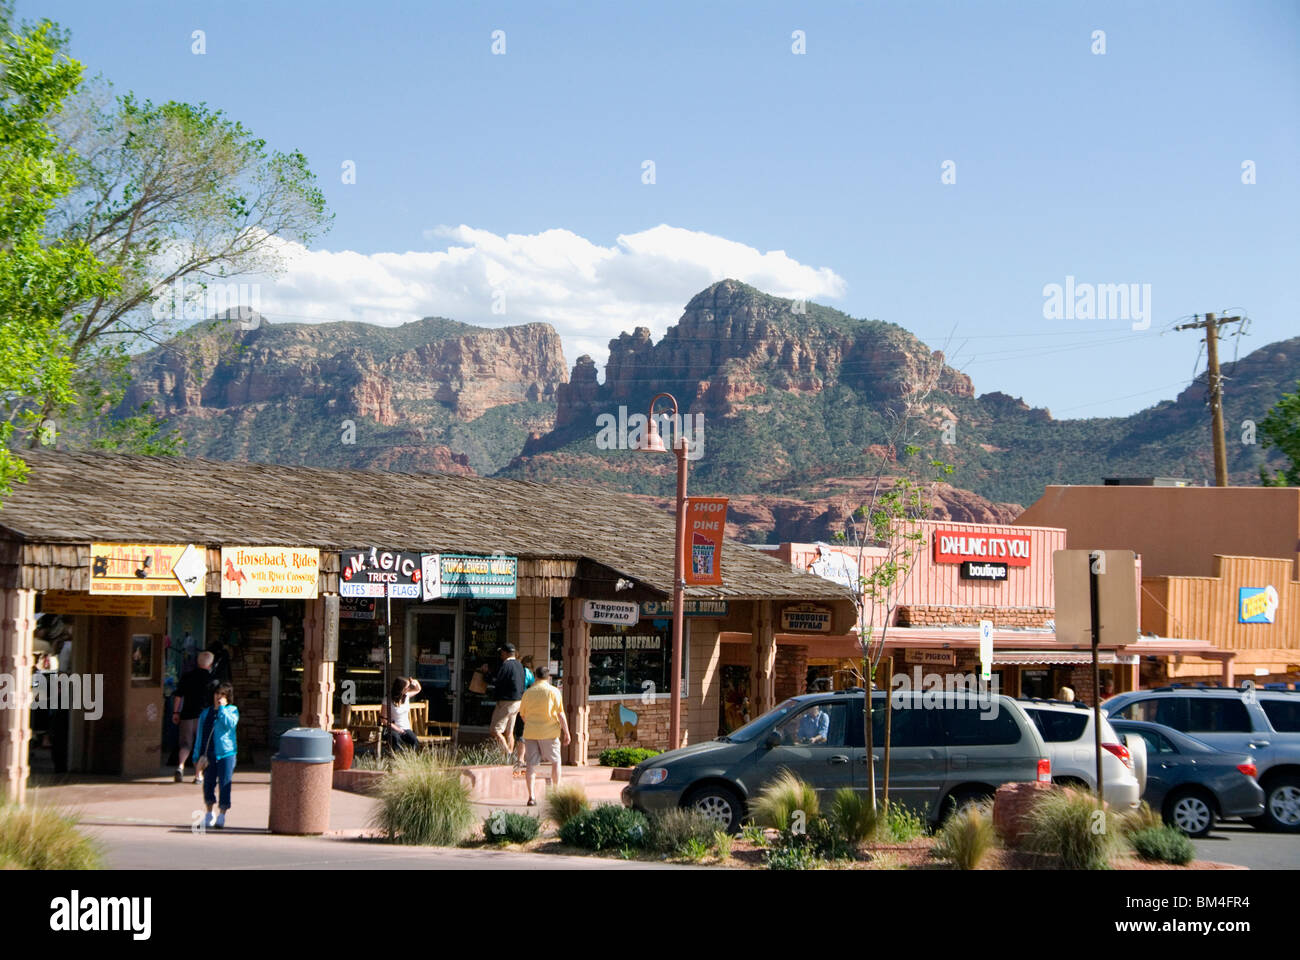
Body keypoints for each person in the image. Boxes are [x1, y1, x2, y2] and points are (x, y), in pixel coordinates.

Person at [518, 665, 570, 806]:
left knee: (531, 765)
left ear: (535, 676)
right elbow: (560, 714)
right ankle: (555, 793)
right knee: (555, 761)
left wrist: (531, 723)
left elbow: (522, 714)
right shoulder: (554, 691)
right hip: (550, 732)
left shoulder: (528, 693)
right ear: (548, 677)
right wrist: (566, 732)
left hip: (531, 732)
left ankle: (531, 796)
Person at [195, 683, 239, 829]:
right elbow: (200, 735)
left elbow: (230, 724)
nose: (219, 697)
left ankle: (222, 814)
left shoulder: (232, 710)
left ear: (227, 697)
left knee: (225, 782)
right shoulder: (205, 713)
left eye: (223, 694)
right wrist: (197, 755)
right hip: (209, 754)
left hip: (227, 753)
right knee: (208, 783)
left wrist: (222, 709)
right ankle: (209, 813)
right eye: (217, 694)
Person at [173, 651, 216, 783]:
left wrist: (175, 712)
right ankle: (198, 775)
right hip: (204, 716)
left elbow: (178, 696)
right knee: (202, 746)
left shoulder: (187, 677)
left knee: (185, 744)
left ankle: (180, 766)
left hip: (187, 714)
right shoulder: (213, 680)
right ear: (210, 664)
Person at [480, 644, 526, 760]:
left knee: (495, 730)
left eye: (501, 653)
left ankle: (508, 755)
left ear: (505, 653)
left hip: (506, 701)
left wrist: (486, 674)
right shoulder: (519, 665)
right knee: (509, 732)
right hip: (518, 702)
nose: (500, 655)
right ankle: (508, 758)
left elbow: (496, 681)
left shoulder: (506, 665)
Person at [382, 677, 422, 753]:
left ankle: (412, 759)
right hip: (392, 728)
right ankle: (397, 758)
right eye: (407, 687)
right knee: (396, 738)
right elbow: (384, 720)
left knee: (414, 740)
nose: (409, 688)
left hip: (405, 728)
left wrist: (414, 681)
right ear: (401, 688)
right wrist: (398, 729)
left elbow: (418, 689)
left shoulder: (406, 696)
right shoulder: (388, 700)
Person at [512, 656, 537, 765]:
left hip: (512, 703)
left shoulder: (516, 672)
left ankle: (512, 756)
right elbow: (533, 688)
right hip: (525, 705)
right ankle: (521, 758)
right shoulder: (527, 673)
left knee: (513, 731)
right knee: (521, 732)